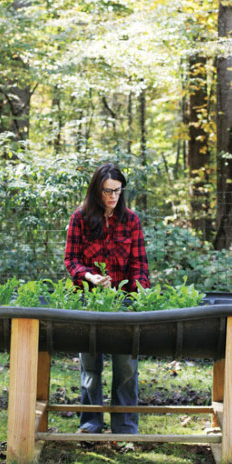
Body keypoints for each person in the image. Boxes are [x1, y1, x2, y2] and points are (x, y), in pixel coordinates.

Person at [64, 162, 150, 434]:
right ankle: (91, 422)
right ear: (96, 191)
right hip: (88, 301)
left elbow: (140, 266)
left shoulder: (132, 220)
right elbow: (71, 260)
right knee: (90, 365)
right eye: (107, 191)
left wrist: (138, 295)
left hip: (123, 304)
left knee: (126, 366)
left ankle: (125, 426)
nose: (113, 197)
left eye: (117, 190)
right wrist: (89, 277)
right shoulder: (80, 218)